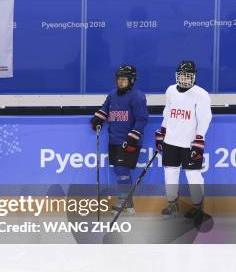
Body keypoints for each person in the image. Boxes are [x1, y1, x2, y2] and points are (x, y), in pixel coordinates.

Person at [155, 61, 212, 219]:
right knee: (170, 173)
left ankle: (198, 207)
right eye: (181, 76)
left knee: (193, 175)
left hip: (189, 143)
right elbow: (167, 112)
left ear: (193, 77)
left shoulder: (201, 94)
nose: (184, 79)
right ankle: (172, 204)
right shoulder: (170, 90)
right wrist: (162, 131)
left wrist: (199, 139)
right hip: (171, 141)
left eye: (187, 77)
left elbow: (205, 119)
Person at [91, 65, 148, 216]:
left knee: (122, 170)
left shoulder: (137, 97)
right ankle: (128, 205)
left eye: (124, 80)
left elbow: (142, 119)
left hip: (128, 140)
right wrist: (98, 119)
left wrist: (134, 135)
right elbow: (105, 108)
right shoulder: (112, 95)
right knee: (118, 170)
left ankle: (124, 201)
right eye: (119, 80)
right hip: (114, 139)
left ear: (132, 80)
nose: (120, 82)